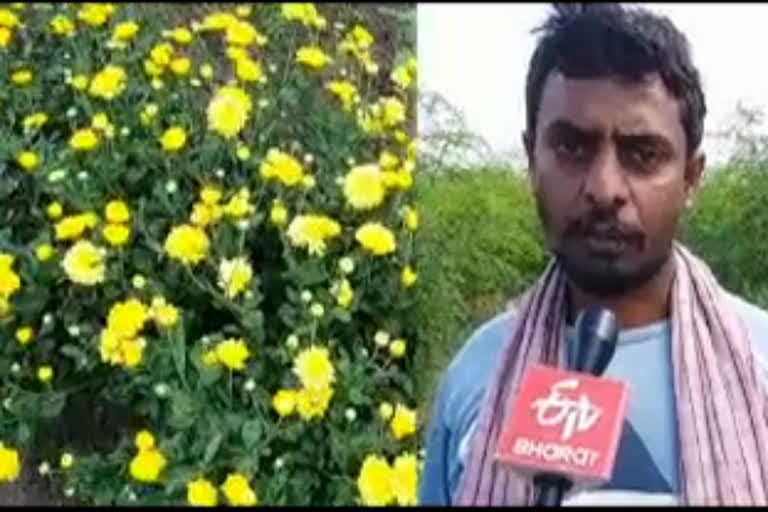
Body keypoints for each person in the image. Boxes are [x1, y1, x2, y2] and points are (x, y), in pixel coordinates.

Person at [419, 3, 768, 506]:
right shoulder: (477, 376)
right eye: (572, 148)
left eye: (642, 154)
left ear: (691, 177)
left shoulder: (757, 363)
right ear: (531, 159)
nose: (605, 189)